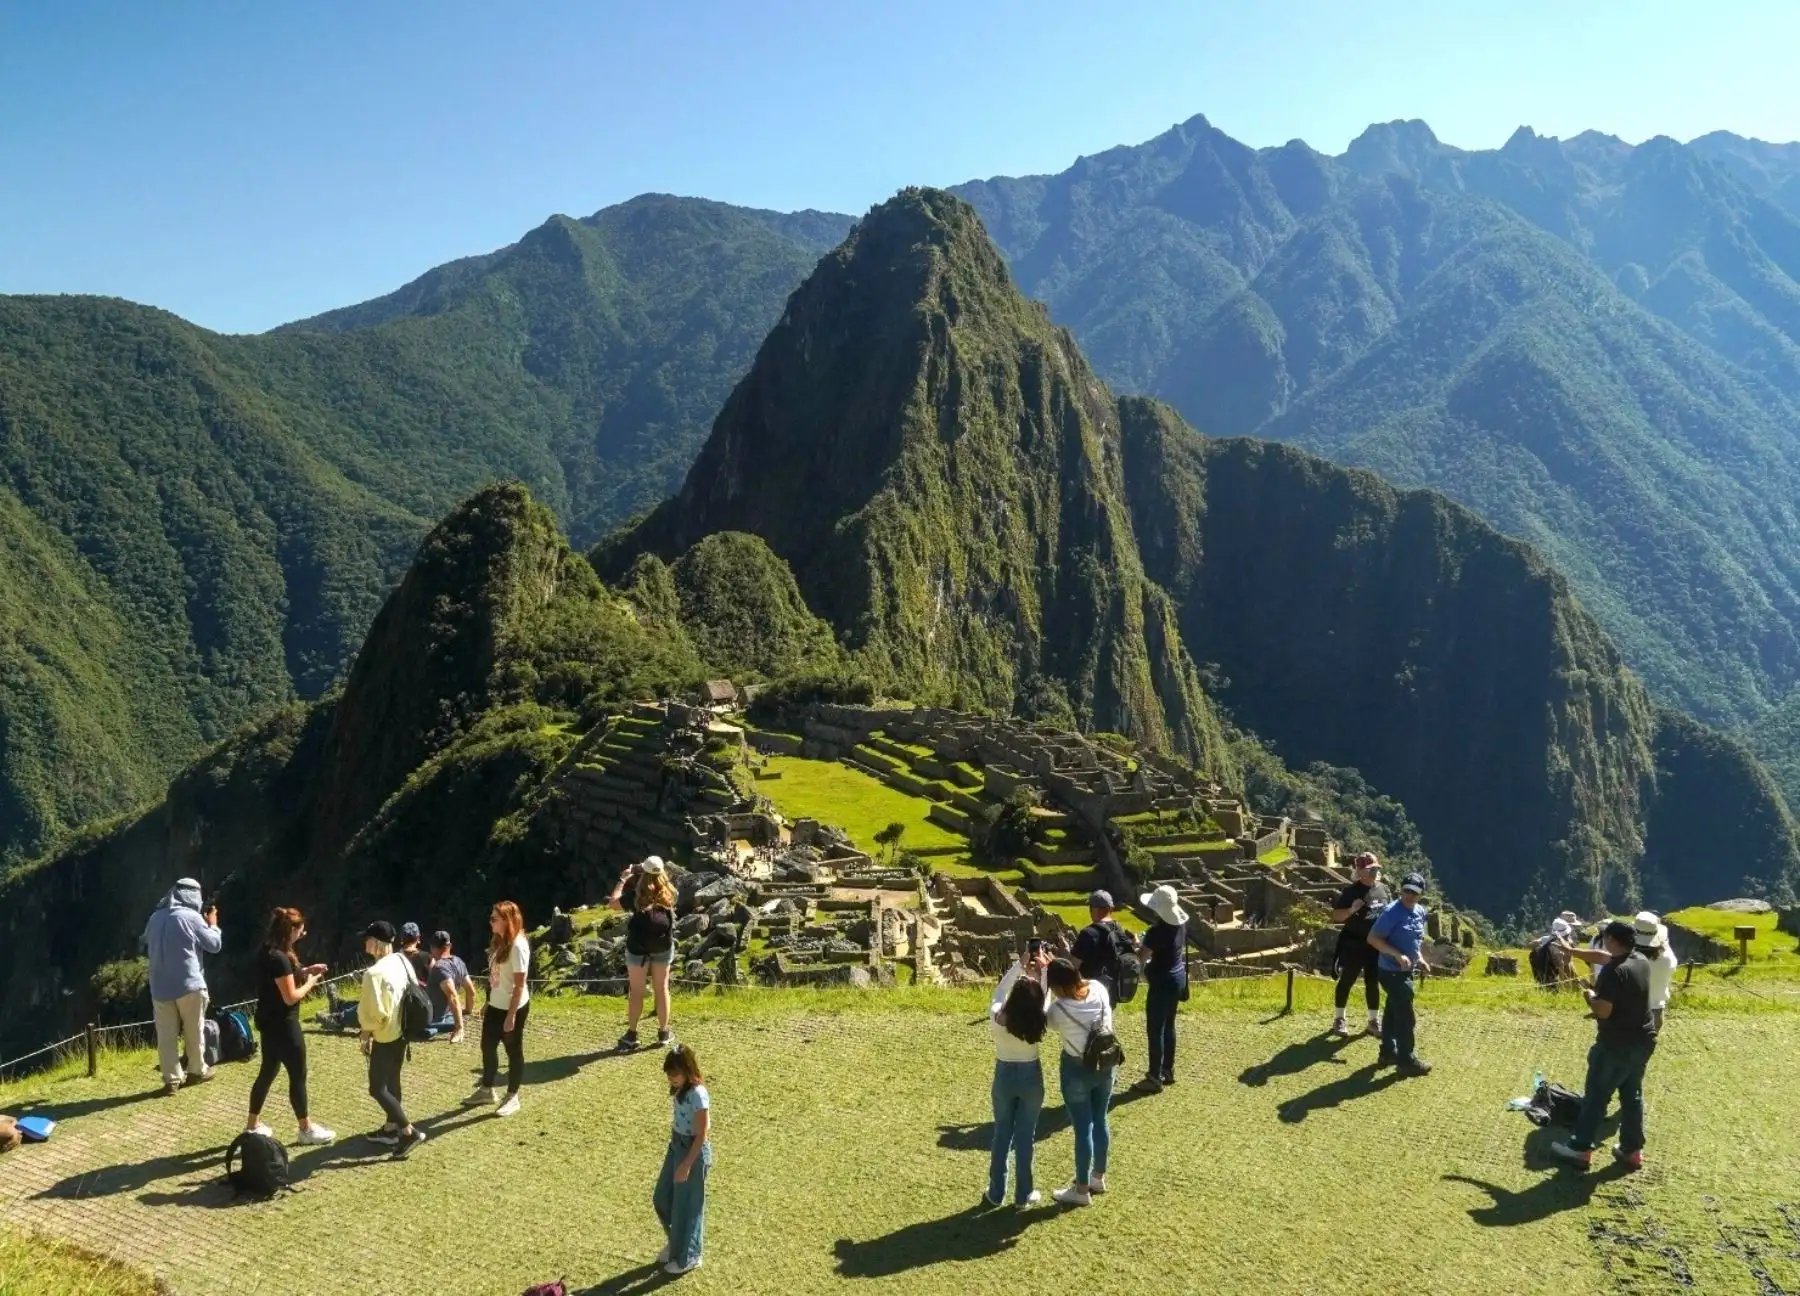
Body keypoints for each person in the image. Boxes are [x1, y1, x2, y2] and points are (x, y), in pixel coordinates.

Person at [1553, 920, 1659, 1171]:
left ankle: (1580, 1148)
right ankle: (1631, 1150)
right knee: (1632, 1095)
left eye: (1605, 938)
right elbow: (1603, 957)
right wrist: (1573, 951)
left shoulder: (1612, 973)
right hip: (1643, 1040)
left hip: (1615, 1045)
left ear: (1611, 939)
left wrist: (1590, 997)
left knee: (1596, 1097)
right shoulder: (1640, 960)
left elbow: (1603, 1011)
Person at [245, 907, 335, 1146]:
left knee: (268, 1071)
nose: (301, 936)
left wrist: (305, 970)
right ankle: (306, 1129)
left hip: (267, 1022)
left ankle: (252, 1125)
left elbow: (281, 979)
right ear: (290, 931)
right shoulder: (280, 959)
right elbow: (290, 996)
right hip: (284, 1025)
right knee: (298, 1075)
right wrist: (311, 981)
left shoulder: (268, 951)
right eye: (300, 932)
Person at [1044, 957, 1115, 1207]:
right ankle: (1098, 1177)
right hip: (1105, 1064)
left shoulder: (1059, 1009)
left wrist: (1042, 982)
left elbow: (1044, 1019)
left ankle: (1081, 1190)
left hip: (1076, 1069)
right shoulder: (1098, 988)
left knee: (1082, 1128)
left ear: (1057, 986)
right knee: (1100, 1119)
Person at [141, 878, 222, 1096]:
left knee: (166, 1036)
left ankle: (171, 1080)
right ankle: (196, 1070)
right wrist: (212, 924)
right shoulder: (191, 917)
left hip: (159, 987)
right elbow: (214, 945)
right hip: (189, 985)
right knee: (194, 1029)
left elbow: (147, 941)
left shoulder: (155, 918)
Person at [986, 942, 1050, 1207]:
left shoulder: (997, 1018)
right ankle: (1023, 1195)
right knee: (1025, 1137)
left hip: (1004, 1074)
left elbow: (999, 992)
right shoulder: (1039, 1017)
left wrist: (1019, 966)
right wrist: (1044, 971)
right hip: (1030, 1075)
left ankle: (996, 1193)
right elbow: (1045, 996)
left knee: (1002, 1134)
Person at [357, 921, 425, 1158]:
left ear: (376, 943)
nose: (364, 943)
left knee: (377, 1088)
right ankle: (390, 1128)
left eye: (367, 939)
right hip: (403, 1029)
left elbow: (375, 1014)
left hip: (385, 1035)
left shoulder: (372, 974)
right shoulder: (401, 960)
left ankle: (408, 1131)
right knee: (393, 1079)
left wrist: (365, 1035)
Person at [1568, 912, 1679, 1032]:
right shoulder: (1668, 957)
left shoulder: (1629, 960)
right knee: (1646, 1040)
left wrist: (1570, 950)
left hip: (1628, 1013)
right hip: (1655, 1013)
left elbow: (1602, 957)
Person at [1367, 872, 1432, 1076]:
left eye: (1415, 893)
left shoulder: (1420, 911)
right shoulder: (1391, 913)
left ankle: (1388, 1052)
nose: (1410, 896)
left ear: (1420, 894)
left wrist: (1420, 959)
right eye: (1407, 891)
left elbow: (1414, 941)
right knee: (1406, 1016)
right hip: (1390, 971)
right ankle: (1406, 1060)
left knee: (1392, 1010)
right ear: (1401, 890)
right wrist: (1396, 955)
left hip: (1406, 970)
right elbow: (1373, 938)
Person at [656, 1044, 713, 1276]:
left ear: (688, 1070)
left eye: (675, 1074)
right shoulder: (680, 1090)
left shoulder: (698, 1094)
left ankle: (690, 1255)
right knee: (662, 1197)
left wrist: (687, 1164)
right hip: (677, 1145)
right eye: (669, 1075)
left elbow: (702, 1135)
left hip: (693, 1152)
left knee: (688, 1206)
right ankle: (676, 1242)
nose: (671, 1079)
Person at [468, 900, 530, 1116]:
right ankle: (486, 1090)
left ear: (507, 920)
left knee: (513, 1051)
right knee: (487, 1046)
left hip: (513, 1007)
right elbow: (496, 977)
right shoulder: (499, 941)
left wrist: (511, 1016)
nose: (490, 922)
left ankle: (513, 1097)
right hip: (496, 1004)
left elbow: (519, 984)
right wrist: (488, 1002)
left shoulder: (518, 946)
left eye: (494, 918)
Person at [610, 857, 676, 1050]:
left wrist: (623, 879)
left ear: (643, 873)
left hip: (638, 950)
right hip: (662, 947)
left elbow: (613, 903)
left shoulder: (636, 896)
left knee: (637, 992)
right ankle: (664, 1033)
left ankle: (632, 1035)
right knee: (662, 988)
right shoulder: (670, 893)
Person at [1329, 853, 1389, 1036]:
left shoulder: (1383, 889)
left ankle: (1373, 1021)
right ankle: (1339, 1019)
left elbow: (1388, 913)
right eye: (1370, 869)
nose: (1374, 872)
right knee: (1347, 981)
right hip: (1354, 944)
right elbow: (1336, 916)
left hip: (1375, 944)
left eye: (1376, 868)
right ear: (1360, 871)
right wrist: (1351, 910)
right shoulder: (1351, 892)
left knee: (1373, 982)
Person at [1135, 884, 1189, 1092]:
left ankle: (1153, 1077)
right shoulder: (1180, 926)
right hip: (1178, 978)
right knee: (1169, 1025)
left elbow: (1141, 958)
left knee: (1155, 1028)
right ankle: (1167, 1070)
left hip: (1162, 982)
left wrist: (1137, 944)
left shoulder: (1156, 932)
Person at [1070, 889, 1136, 1004]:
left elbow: (1073, 966)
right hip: (1112, 992)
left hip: (1090, 994)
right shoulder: (1118, 930)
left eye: (1091, 907)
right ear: (1111, 909)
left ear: (1096, 910)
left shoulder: (1088, 934)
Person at [426, 930, 476, 1042]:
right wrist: (468, 1010)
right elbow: (471, 991)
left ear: (432, 948)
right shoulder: (459, 962)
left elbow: (453, 996)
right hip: (449, 1016)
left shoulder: (439, 968)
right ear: (450, 946)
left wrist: (459, 1027)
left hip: (435, 1019)